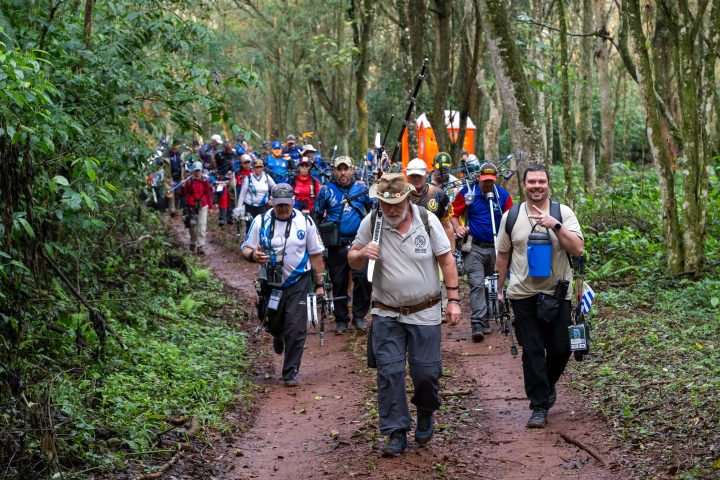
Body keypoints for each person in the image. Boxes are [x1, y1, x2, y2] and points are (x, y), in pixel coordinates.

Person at [347, 173, 461, 457]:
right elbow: (352, 257)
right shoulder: (372, 223)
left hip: (425, 311)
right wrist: (362, 254)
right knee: (390, 372)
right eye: (386, 203)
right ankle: (396, 431)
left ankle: (425, 411)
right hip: (386, 312)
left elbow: (446, 259)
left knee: (426, 372)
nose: (392, 209)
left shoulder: (426, 219)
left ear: (408, 198)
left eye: (397, 202)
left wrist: (454, 299)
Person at [494, 163, 584, 428]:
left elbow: (578, 249)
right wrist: (498, 290)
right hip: (523, 294)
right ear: (524, 185)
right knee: (532, 350)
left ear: (548, 184)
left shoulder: (563, 213)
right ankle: (539, 406)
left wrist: (555, 225)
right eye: (531, 182)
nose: (536, 186)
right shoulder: (511, 216)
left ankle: (546, 386)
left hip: (558, 294)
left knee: (561, 348)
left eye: (541, 181)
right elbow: (503, 255)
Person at [241, 184, 327, 387]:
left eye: (286, 205)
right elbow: (245, 248)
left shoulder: (304, 222)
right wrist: (254, 256)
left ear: (293, 201)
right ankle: (277, 334)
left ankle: (290, 372)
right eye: (278, 205)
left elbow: (315, 253)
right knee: (275, 323)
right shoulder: (260, 221)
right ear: (271, 202)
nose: (282, 209)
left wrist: (320, 284)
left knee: (296, 328)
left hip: (299, 280)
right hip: (271, 283)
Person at [451, 162, 513, 341]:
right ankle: (477, 322)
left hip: (496, 248)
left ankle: (486, 318)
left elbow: (511, 218)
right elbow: (453, 214)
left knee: (490, 284)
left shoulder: (502, 196)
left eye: (491, 181)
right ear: (479, 177)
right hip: (474, 247)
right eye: (485, 181)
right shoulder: (468, 193)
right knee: (477, 283)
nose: (487, 184)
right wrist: (458, 228)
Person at [312, 156, 373, 334]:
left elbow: (374, 210)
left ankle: (359, 316)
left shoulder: (362, 189)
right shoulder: (325, 190)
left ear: (352, 169)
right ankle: (341, 320)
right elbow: (317, 215)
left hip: (360, 243)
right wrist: (319, 242)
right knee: (338, 281)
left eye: (346, 169)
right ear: (334, 171)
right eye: (339, 169)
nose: (343, 173)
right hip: (336, 244)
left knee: (362, 279)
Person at [180, 161, 213, 254]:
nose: (197, 173)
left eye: (199, 171)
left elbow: (208, 193)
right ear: (193, 171)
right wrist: (182, 186)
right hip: (191, 205)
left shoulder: (205, 181)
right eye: (195, 171)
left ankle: (200, 245)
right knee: (193, 225)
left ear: (201, 170)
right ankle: (193, 242)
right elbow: (183, 193)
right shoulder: (189, 181)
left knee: (202, 225)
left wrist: (210, 207)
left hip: (203, 204)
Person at [237, 160, 276, 235]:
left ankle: (261, 243)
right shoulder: (248, 178)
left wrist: (272, 199)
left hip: (263, 205)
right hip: (250, 206)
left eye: (260, 167)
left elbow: (275, 187)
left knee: (262, 225)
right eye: (257, 167)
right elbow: (242, 194)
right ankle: (248, 243)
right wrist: (239, 208)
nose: (259, 169)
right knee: (250, 225)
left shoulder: (266, 177)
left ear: (263, 168)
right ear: (253, 168)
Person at [212, 141, 238, 225]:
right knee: (222, 198)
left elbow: (236, 167)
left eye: (230, 149)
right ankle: (222, 218)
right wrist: (216, 171)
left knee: (231, 198)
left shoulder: (234, 155)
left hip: (230, 179)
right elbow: (213, 162)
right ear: (224, 149)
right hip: (221, 179)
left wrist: (232, 171)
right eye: (227, 149)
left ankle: (230, 217)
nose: (229, 151)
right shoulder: (219, 155)